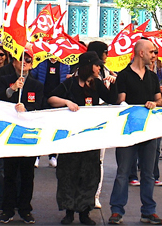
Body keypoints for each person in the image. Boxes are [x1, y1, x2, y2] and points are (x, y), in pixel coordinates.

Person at [48, 51, 117, 225]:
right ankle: (69, 211)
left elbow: (113, 100)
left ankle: (85, 211)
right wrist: (67, 103)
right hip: (71, 139)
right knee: (68, 174)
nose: (99, 68)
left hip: (91, 138)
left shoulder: (97, 84)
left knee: (89, 175)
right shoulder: (70, 83)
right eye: (96, 65)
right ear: (87, 65)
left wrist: (115, 83)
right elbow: (51, 98)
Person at [108, 39, 162, 225]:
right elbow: (120, 100)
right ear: (141, 53)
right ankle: (116, 211)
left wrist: (155, 103)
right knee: (123, 171)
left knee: (148, 173)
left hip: (149, 129)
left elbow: (160, 100)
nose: (154, 55)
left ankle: (149, 211)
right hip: (127, 130)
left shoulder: (153, 77)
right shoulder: (123, 75)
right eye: (152, 52)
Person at [0, 49, 44, 224]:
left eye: (28, 61)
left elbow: (40, 106)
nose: (25, 63)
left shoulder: (36, 85)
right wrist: (12, 89)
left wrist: (27, 110)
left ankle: (25, 208)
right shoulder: (4, 79)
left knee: (27, 174)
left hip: (28, 135)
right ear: (14, 61)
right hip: (9, 133)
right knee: (10, 173)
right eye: (22, 60)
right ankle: (7, 208)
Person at [87, 40, 116, 209]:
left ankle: (95, 195)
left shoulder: (107, 72)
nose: (107, 55)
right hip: (84, 121)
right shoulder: (79, 75)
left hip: (102, 120)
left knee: (99, 160)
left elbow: (112, 97)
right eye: (105, 51)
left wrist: (113, 83)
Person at [29, 57, 70, 168]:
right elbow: (33, 74)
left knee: (55, 128)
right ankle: (36, 156)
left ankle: (52, 156)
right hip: (42, 98)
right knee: (39, 127)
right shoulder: (41, 62)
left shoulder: (64, 65)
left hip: (57, 99)